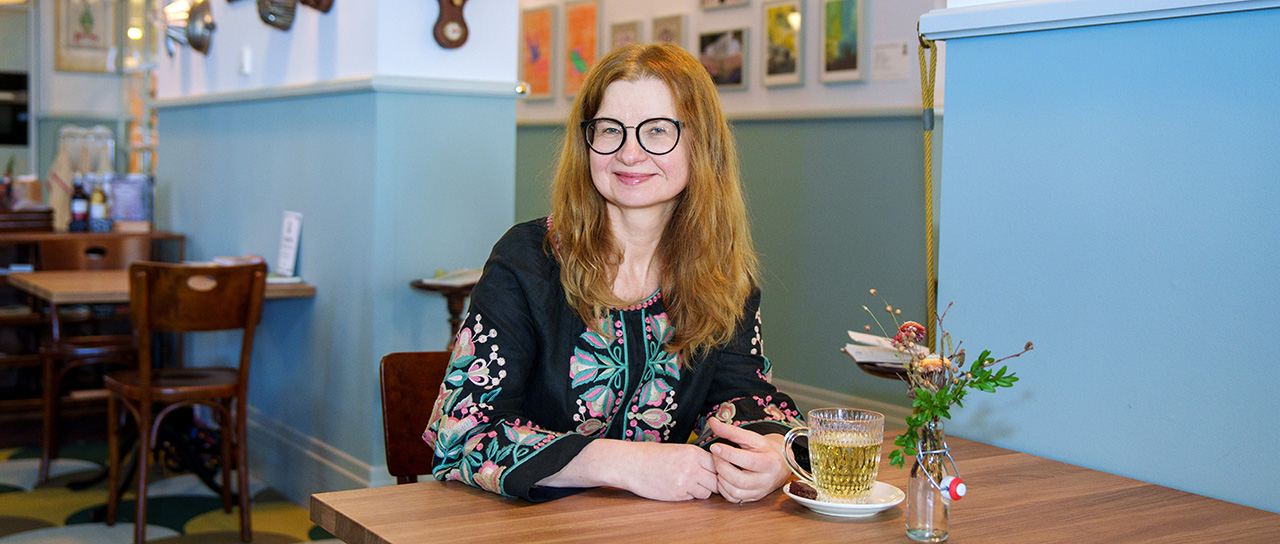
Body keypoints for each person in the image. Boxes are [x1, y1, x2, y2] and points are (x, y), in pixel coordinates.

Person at [423, 43, 803, 503]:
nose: (629, 153)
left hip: (653, 526)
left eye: (657, 130)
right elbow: (462, 434)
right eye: (609, 130)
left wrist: (776, 456)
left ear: (702, 143)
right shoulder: (526, 259)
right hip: (524, 524)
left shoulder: (721, 274)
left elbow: (747, 400)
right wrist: (626, 463)